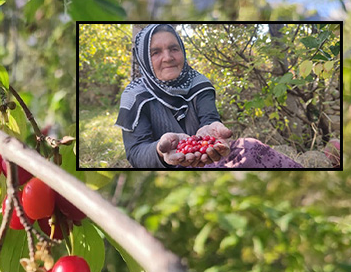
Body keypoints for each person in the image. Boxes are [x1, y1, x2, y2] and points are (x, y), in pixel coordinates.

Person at [115, 24, 303, 169]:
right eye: (155, 52)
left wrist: (210, 131)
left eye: (174, 49)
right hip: (165, 170)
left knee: (250, 147)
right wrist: (160, 151)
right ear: (144, 59)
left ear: (182, 51)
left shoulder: (199, 84)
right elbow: (136, 152)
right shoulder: (134, 96)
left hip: (207, 161)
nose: (168, 57)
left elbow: (209, 121)